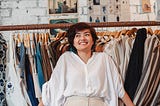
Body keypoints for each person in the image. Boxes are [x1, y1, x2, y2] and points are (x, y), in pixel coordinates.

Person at [38, 22, 135, 106]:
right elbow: (52, 87)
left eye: (87, 34)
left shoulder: (104, 58)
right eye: (77, 35)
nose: (82, 38)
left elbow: (119, 88)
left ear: (93, 40)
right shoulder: (65, 59)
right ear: (73, 42)